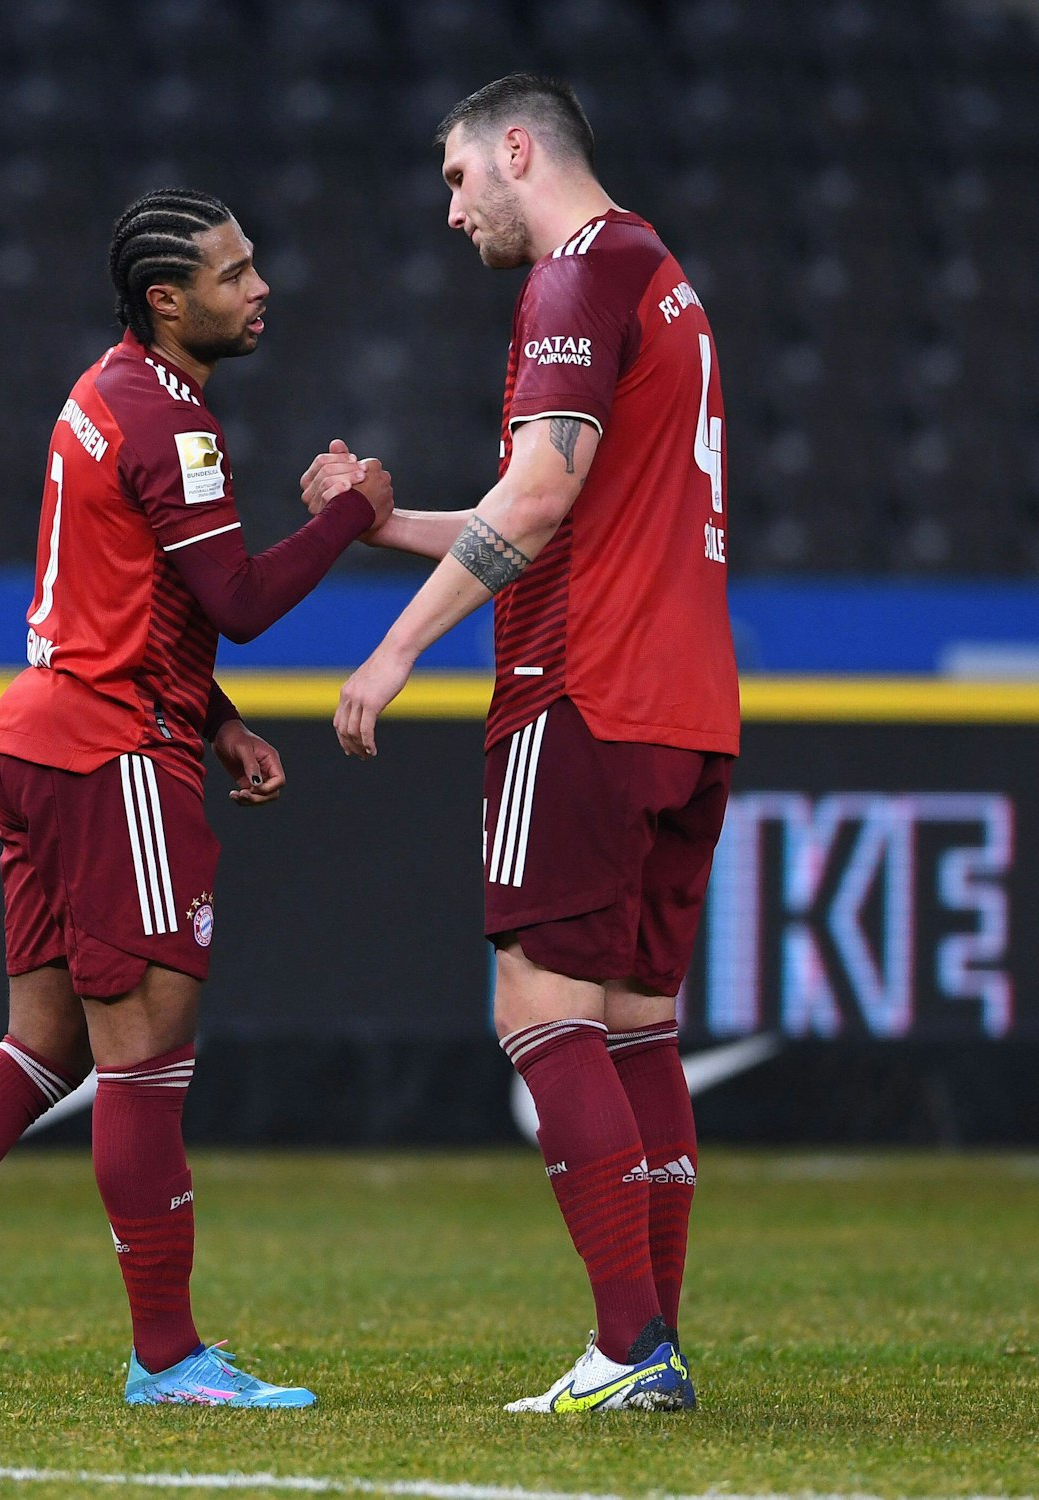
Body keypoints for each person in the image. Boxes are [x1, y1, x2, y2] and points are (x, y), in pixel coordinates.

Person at [0, 188, 392, 1408]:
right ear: (166, 302)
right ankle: (167, 1359)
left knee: (44, 1046)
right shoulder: (169, 422)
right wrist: (350, 517)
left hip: (38, 731)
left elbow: (122, 597)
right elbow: (231, 600)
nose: (260, 287)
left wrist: (218, 721)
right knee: (145, 1060)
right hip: (112, 751)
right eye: (233, 274)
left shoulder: (100, 390)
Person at [304, 75, 739, 1412]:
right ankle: (653, 1348)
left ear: (514, 149)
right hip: (689, 708)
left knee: (539, 1008)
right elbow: (553, 499)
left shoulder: (570, 280)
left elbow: (541, 498)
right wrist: (385, 531)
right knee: (637, 1027)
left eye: (453, 178)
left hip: (583, 688)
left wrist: (397, 646)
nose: (450, 211)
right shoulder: (661, 277)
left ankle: (626, 1347)